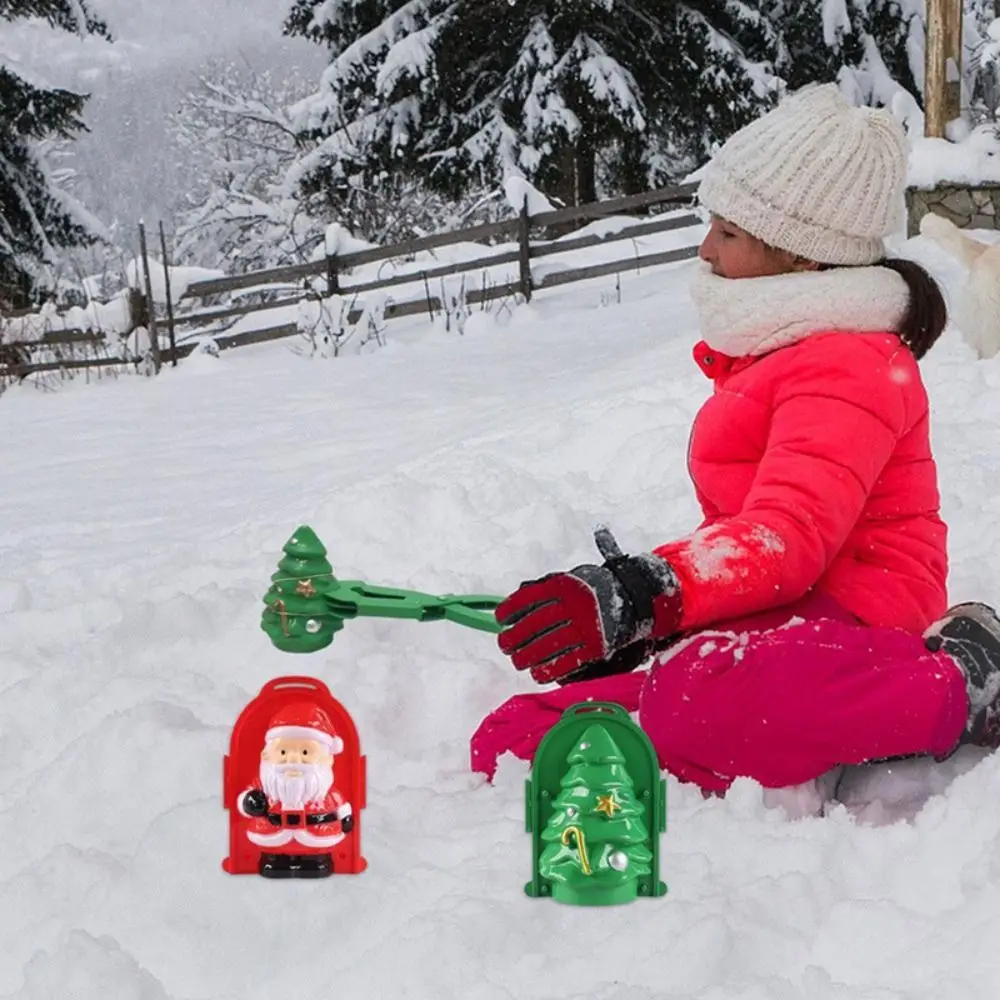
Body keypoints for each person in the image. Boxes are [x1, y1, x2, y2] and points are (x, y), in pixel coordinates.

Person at [472, 84, 1000, 795]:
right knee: (517, 739)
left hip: (862, 619)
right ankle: (700, 713)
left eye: (729, 233)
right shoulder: (783, 348)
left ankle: (962, 682)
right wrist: (645, 628)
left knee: (707, 699)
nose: (705, 249)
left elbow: (787, 537)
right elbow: (763, 545)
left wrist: (646, 592)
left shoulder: (849, 364)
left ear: (803, 259)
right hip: (789, 606)